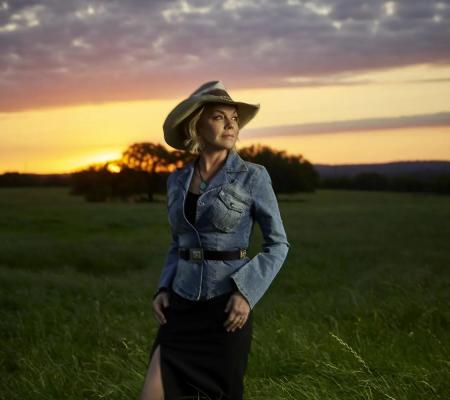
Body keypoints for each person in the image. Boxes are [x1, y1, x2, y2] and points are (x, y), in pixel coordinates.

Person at [139, 80, 290, 400]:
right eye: (219, 117)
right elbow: (177, 242)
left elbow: (277, 244)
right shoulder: (177, 180)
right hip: (179, 308)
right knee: (151, 394)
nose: (231, 124)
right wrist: (164, 287)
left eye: (234, 118)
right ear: (196, 125)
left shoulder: (254, 176)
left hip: (226, 309)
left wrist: (246, 293)